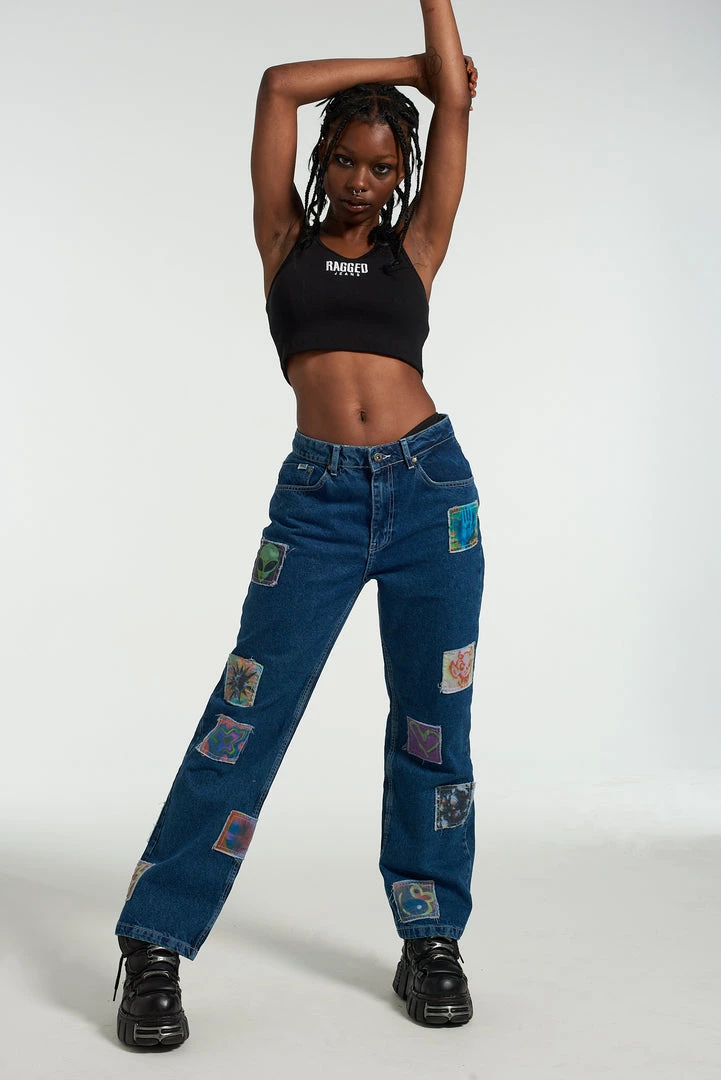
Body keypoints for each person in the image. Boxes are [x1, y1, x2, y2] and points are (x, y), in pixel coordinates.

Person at [112, 0, 483, 1047]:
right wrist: (412, 64)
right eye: (346, 161)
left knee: (432, 728)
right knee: (244, 717)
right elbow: (278, 83)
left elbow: (455, 106)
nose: (361, 180)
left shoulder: (419, 246)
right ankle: (154, 941)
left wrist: (438, 69)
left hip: (431, 495)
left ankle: (430, 938)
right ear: (322, 161)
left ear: (401, 174)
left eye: (381, 166)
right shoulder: (282, 240)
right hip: (317, 502)